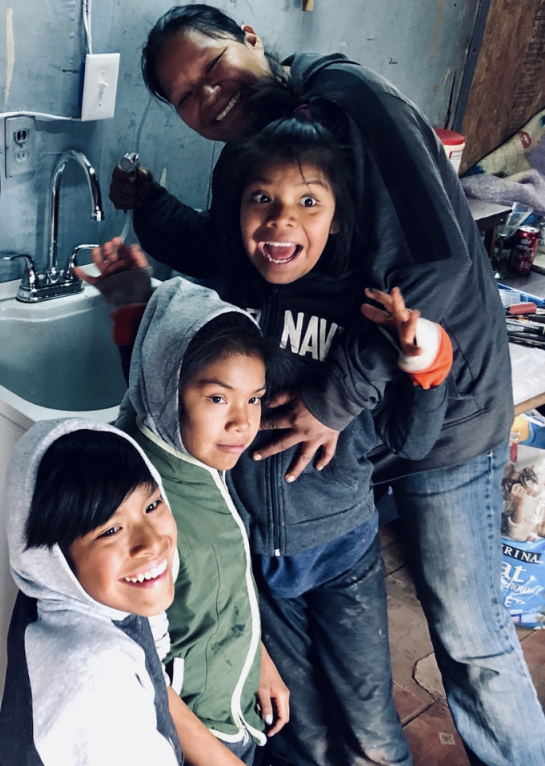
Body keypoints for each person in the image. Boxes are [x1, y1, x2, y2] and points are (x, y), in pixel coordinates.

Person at [108, 6, 544, 764]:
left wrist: (332, 399)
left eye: (210, 68)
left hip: (443, 401)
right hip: (356, 448)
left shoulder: (346, 100)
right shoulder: (265, 148)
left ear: (249, 36)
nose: (208, 98)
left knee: (468, 637)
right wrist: (148, 209)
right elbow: (236, 258)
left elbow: (432, 269)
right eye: (185, 97)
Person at [80, 99, 454, 765]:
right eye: (263, 198)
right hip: (259, 564)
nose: (283, 218)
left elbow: (412, 438)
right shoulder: (221, 298)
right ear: (239, 210)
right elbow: (162, 392)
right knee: (296, 730)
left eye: (309, 201)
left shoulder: (361, 313)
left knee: (371, 729)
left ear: (337, 212)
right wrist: (131, 303)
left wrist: (422, 355)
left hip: (344, 553)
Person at [113, 277, 286, 766]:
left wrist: (260, 663)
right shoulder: (142, 500)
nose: (242, 423)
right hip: (189, 735)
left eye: (254, 398)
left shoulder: (196, 461)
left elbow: (220, 589)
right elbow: (137, 660)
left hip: (230, 701)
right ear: (168, 386)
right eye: (217, 398)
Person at [0, 419, 185, 766]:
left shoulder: (61, 597)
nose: (152, 542)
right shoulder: (96, 681)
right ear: (53, 557)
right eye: (111, 529)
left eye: (152, 505)